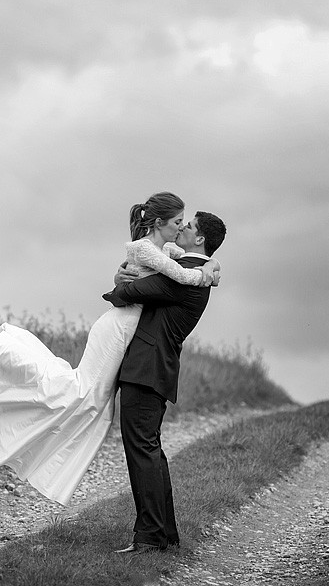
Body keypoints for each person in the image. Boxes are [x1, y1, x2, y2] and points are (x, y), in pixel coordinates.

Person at [0, 192, 220, 505]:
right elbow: (177, 276)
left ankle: (39, 438)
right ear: (159, 223)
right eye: (176, 222)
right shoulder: (149, 249)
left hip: (126, 324)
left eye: (185, 224)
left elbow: (167, 268)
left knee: (90, 400)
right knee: (82, 395)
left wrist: (209, 261)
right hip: (117, 326)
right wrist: (206, 273)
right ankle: (7, 361)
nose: (181, 227)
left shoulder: (164, 248)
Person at [105, 210, 227, 554]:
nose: (181, 227)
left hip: (146, 370)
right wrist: (123, 276)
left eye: (188, 226)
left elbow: (127, 293)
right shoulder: (197, 271)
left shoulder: (184, 275)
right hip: (155, 370)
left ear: (200, 239)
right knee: (151, 452)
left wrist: (119, 282)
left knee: (142, 452)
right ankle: (164, 534)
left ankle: (149, 538)